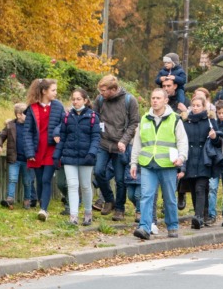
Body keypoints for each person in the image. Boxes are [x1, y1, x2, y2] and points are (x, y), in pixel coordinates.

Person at [130, 88, 187, 240]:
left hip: (167, 164)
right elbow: (137, 143)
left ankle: (172, 226)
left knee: (169, 197)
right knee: (146, 196)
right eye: (153, 98)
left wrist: (181, 157)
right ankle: (144, 227)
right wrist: (133, 163)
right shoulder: (144, 119)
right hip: (148, 164)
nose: (154, 101)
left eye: (158, 98)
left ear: (165, 101)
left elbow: (182, 141)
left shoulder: (175, 119)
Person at [93, 75, 140, 222]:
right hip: (103, 142)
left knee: (120, 180)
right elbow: (94, 118)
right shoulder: (100, 100)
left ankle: (119, 209)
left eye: (104, 90)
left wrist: (124, 141)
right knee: (98, 171)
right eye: (100, 90)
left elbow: (134, 123)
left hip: (120, 145)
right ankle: (109, 199)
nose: (101, 93)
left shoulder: (129, 100)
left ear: (113, 89)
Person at [54, 88, 101, 226]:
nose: (75, 101)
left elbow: (96, 137)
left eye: (78, 99)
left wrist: (91, 153)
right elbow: (62, 138)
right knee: (72, 185)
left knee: (85, 186)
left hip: (86, 157)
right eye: (73, 99)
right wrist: (57, 155)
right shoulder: (67, 117)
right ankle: (73, 216)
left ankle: (88, 213)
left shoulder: (93, 117)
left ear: (85, 100)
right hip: (69, 156)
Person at [23, 78, 65, 222]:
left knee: (47, 179)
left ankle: (44, 209)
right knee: (40, 180)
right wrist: (29, 152)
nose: (56, 93)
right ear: (44, 91)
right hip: (36, 150)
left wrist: (57, 132)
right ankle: (42, 205)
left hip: (52, 149)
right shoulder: (32, 108)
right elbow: (27, 132)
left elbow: (64, 123)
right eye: (53, 90)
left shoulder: (58, 106)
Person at [182, 96, 220, 229]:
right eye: (193, 105)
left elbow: (218, 142)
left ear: (204, 107)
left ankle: (198, 217)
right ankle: (203, 215)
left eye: (198, 105)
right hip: (190, 159)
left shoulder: (210, 121)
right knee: (193, 189)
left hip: (204, 159)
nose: (195, 108)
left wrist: (214, 137)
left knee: (200, 188)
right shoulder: (185, 121)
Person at [0, 103, 35, 209]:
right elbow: (1, 136)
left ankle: (27, 200)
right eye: (26, 114)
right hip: (14, 159)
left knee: (27, 181)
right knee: (12, 179)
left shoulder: (31, 126)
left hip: (27, 160)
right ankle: (10, 199)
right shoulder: (10, 125)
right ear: (19, 115)